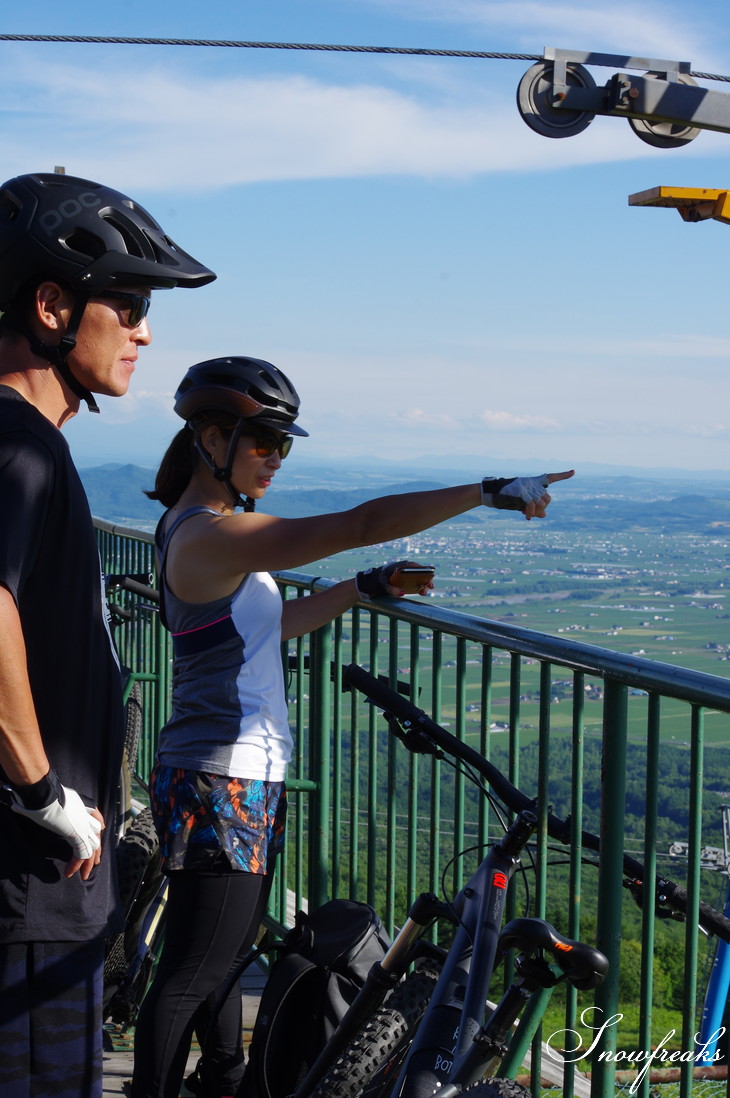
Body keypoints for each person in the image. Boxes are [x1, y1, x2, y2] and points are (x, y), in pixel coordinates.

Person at [131, 355, 573, 1098]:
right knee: (192, 973)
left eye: (285, 444)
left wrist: (360, 590)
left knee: (224, 948)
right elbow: (361, 522)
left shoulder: (215, 532)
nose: (276, 458)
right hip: (221, 777)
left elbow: (269, 628)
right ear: (210, 436)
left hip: (231, 774)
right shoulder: (209, 536)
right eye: (263, 440)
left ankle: (223, 1077)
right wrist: (487, 491)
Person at [0, 171, 215, 1098]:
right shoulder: (18, 445)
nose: (145, 330)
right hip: (30, 886)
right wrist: (44, 792)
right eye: (126, 305)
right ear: (53, 305)